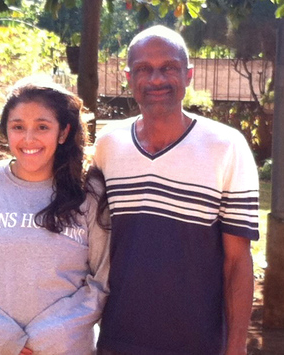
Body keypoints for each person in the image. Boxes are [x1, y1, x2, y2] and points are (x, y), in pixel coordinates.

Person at [94, 25, 260, 355]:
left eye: (168, 67)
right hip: (116, 338)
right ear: (129, 77)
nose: (156, 79)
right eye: (144, 69)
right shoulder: (108, 145)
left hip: (198, 341)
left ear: (188, 75)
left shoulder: (226, 146)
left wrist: (237, 345)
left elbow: (237, 261)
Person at [0, 78, 110, 355]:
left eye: (42, 127)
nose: (28, 139)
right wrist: (3, 337)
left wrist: (42, 337)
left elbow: (101, 282)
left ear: (63, 132)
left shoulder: (89, 193)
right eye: (18, 127)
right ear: (6, 131)